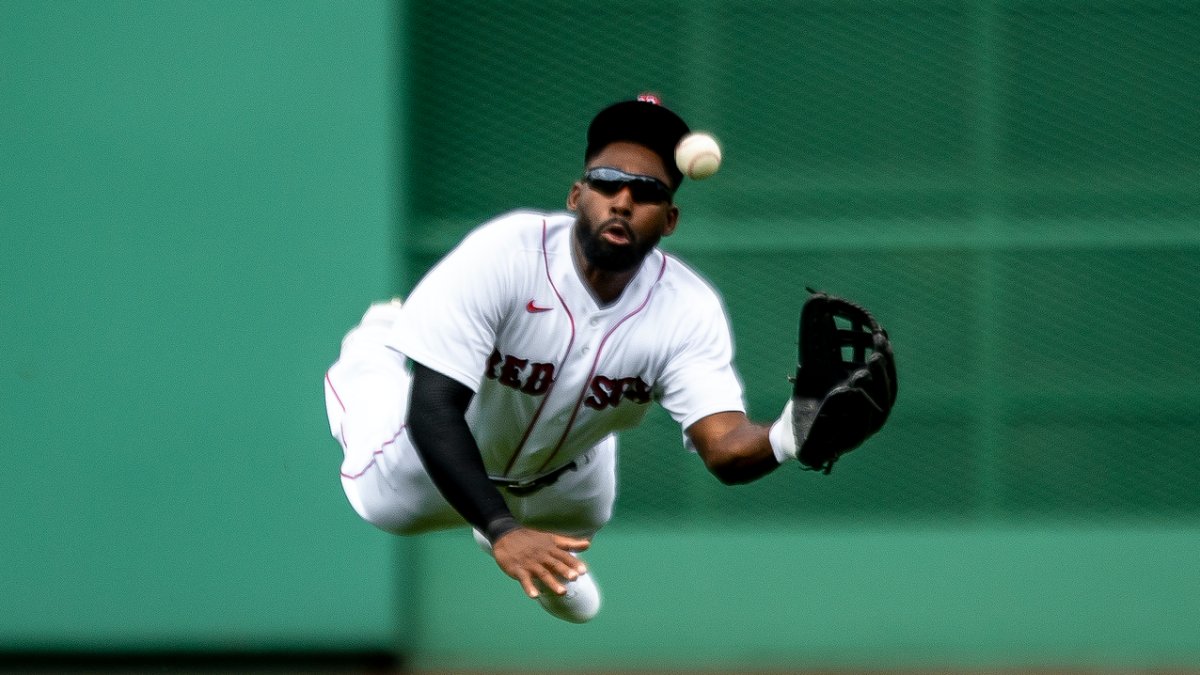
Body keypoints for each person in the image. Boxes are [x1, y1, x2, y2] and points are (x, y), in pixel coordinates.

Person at [324, 95, 808, 623]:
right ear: (578, 194)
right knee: (374, 440)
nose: (622, 201)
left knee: (582, 611)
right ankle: (377, 339)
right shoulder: (507, 255)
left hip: (570, 488)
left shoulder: (687, 308)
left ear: (669, 220)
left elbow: (725, 448)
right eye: (606, 182)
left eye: (645, 192)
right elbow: (433, 410)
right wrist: (502, 530)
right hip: (427, 469)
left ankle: (523, 540)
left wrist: (793, 433)